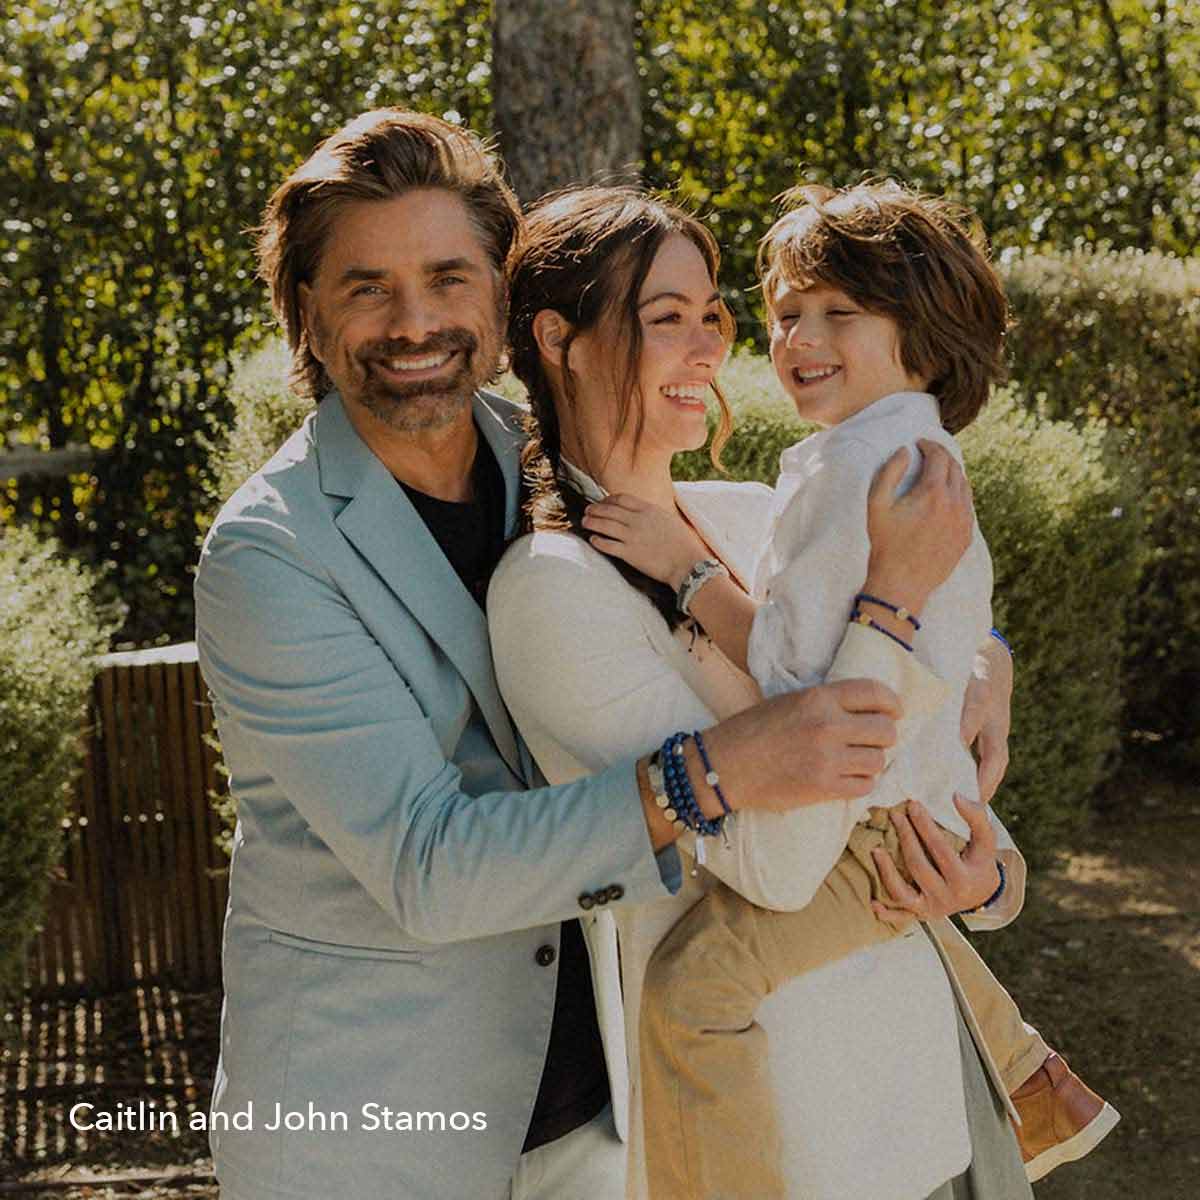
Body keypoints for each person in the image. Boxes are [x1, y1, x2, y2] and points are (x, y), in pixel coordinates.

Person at [193, 110, 988, 1200]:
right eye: (366, 286)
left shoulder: (556, 474)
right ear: (307, 313)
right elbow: (428, 865)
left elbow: (836, 613)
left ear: (503, 298)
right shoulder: (270, 556)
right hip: (383, 1120)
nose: (415, 320)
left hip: (605, 1107)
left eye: (448, 276)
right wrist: (711, 776)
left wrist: (978, 669)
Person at [487, 184, 1043, 1200]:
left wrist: (986, 880)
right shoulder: (552, 597)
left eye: (715, 317)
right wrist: (892, 611)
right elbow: (782, 869)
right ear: (560, 342)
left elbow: (967, 833)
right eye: (667, 321)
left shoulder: (757, 515)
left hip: (934, 1096)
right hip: (797, 1143)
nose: (712, 348)